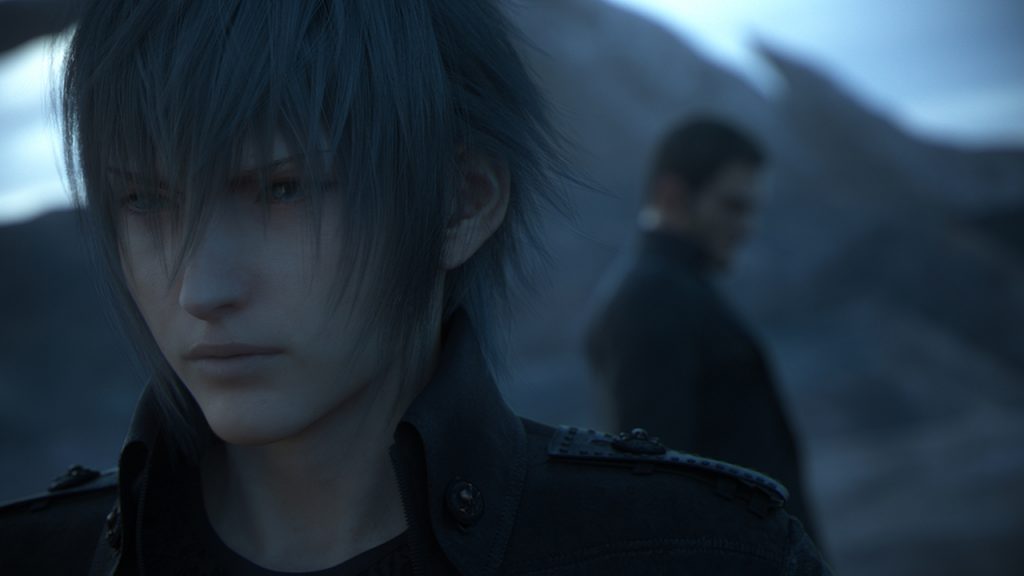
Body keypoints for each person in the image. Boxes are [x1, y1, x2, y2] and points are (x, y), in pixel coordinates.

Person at [0, 3, 828, 574]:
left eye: (281, 189)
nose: (199, 289)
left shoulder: (694, 555)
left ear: (460, 204)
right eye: (145, 201)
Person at [586, 118, 818, 535]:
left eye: (751, 210)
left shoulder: (677, 291)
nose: (748, 227)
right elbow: (653, 489)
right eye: (733, 206)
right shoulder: (652, 300)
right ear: (672, 196)